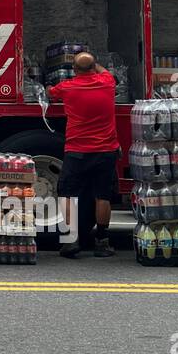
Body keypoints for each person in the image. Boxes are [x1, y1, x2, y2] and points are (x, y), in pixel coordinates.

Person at [47, 51, 119, 258]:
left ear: (74, 70)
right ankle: (102, 242)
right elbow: (103, 71)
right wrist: (95, 65)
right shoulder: (107, 82)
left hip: (77, 151)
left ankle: (71, 241)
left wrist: (46, 87)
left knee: (68, 195)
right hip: (106, 151)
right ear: (94, 66)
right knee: (102, 196)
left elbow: (51, 92)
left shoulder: (67, 87)